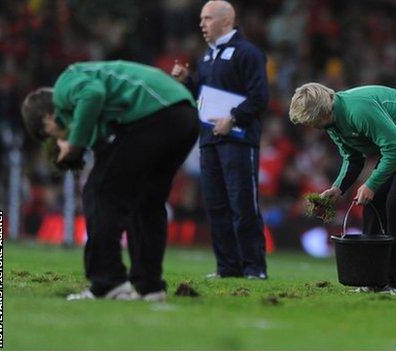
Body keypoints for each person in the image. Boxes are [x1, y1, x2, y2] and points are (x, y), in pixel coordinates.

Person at [21, 60, 200, 301]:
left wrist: (74, 143)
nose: (56, 139)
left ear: (48, 117)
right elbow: (109, 150)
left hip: (155, 112)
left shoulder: (65, 84)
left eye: (51, 135)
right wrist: (79, 148)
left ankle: (107, 281)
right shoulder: (98, 117)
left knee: (98, 193)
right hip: (183, 115)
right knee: (146, 201)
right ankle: (149, 287)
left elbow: (92, 94)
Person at [289, 83, 396, 295]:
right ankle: (373, 279)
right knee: (373, 202)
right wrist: (338, 188)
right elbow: (352, 157)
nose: (310, 126)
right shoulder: (331, 122)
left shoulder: (358, 111)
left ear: (321, 113)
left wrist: (371, 184)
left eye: (310, 121)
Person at [171, 0, 269, 279]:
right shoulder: (205, 57)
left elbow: (260, 97)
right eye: (202, 19)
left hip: (239, 140)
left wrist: (234, 118)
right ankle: (227, 267)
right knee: (216, 206)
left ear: (226, 21)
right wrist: (187, 81)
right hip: (210, 140)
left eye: (207, 18)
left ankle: (254, 268)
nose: (202, 24)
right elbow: (203, 97)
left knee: (243, 205)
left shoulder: (248, 53)